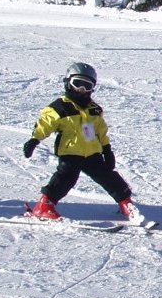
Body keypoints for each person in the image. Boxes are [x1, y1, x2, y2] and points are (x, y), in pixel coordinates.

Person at [23, 62, 144, 223]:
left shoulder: (94, 109)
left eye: (87, 85)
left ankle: (125, 203)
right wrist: (34, 139)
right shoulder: (60, 107)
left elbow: (100, 130)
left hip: (92, 152)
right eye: (78, 84)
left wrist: (107, 149)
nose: (82, 89)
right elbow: (45, 123)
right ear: (68, 83)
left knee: (109, 177)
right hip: (70, 152)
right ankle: (44, 206)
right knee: (65, 179)